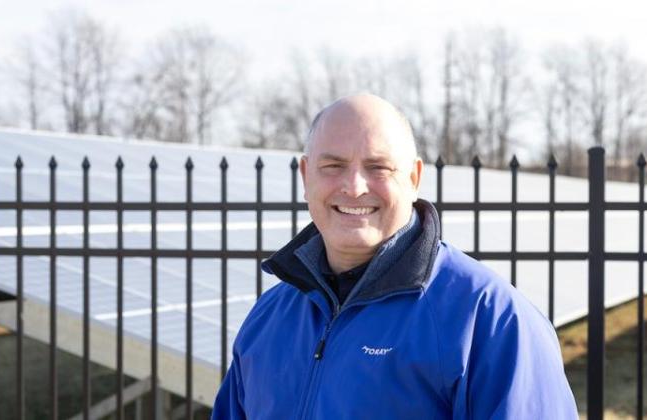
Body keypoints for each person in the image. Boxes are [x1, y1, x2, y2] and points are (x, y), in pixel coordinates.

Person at [212, 94, 577, 419]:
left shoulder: (490, 318)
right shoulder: (269, 317)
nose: (354, 186)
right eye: (333, 166)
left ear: (414, 177)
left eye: (378, 167)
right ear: (306, 175)